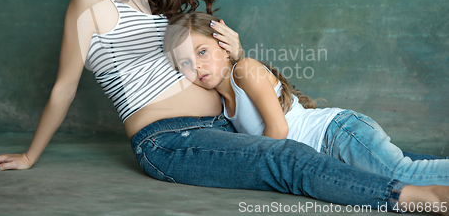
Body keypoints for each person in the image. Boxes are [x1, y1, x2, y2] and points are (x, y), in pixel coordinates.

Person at [0, 0, 449, 213]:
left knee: (332, 154)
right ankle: (420, 198)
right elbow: (65, 87)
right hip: (168, 140)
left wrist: (237, 54)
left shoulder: (158, 4)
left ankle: (416, 185)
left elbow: (210, 69)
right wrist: (30, 156)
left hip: (220, 123)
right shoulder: (91, 2)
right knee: (286, 159)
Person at [163, 11, 449, 186]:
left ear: (224, 46)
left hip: (338, 133)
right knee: (404, 171)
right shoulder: (221, 103)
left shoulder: (245, 70)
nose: (196, 67)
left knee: (403, 173)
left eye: (201, 52)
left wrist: (251, 165)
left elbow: (279, 130)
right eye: (185, 63)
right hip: (328, 150)